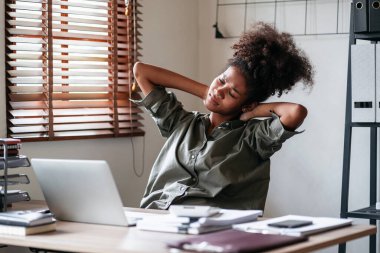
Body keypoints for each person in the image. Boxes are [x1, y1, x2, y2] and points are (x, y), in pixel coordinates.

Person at [132, 22, 314, 210]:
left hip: (212, 229)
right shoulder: (181, 123)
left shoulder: (252, 139)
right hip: (154, 218)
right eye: (221, 80)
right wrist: (206, 92)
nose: (220, 91)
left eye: (232, 94)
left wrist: (252, 111)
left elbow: (296, 112)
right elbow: (141, 72)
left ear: (247, 103)